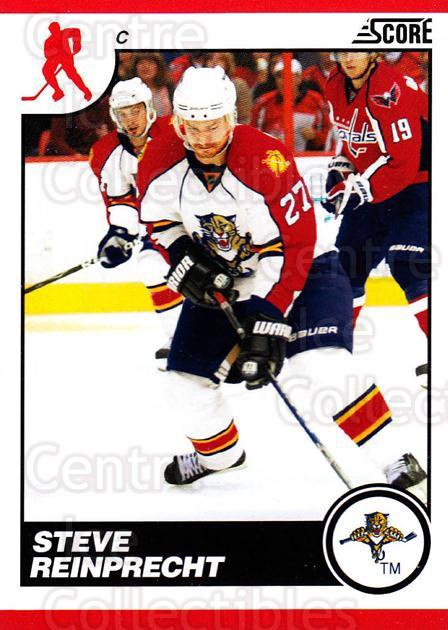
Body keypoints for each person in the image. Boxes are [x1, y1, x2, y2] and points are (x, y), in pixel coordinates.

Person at [135, 66, 426, 494]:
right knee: (184, 380)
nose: (203, 138)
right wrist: (181, 256)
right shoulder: (159, 160)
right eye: (192, 127)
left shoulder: (266, 159)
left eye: (212, 126)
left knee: (319, 363)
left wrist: (268, 317)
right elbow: (159, 223)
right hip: (230, 280)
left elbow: (296, 244)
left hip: (306, 271)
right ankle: (219, 455)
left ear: (231, 118)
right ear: (178, 123)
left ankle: (393, 457)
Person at [323, 52, 429, 386]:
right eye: (341, 51)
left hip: (419, 183)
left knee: (409, 264)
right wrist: (343, 167)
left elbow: (405, 161)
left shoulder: (389, 89)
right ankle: (334, 353)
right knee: (346, 269)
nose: (347, 58)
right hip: (375, 182)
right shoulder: (335, 84)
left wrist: (359, 189)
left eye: (355, 50)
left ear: (373, 52)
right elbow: (355, 138)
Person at [89, 78, 182, 362]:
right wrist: (121, 235)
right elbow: (121, 201)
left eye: (135, 111)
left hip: (204, 215)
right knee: (150, 266)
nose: (130, 120)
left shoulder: (176, 131)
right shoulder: (107, 153)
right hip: (165, 226)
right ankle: (180, 338)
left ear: (149, 108)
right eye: (123, 113)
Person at [252, 58, 331, 151]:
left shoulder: (315, 100)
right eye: (279, 76)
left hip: (307, 156)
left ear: (299, 78)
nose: (283, 80)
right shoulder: (264, 102)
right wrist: (268, 139)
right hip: (273, 155)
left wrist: (315, 136)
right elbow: (252, 134)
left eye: (288, 76)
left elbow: (328, 133)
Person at [42, 22, 91, 102]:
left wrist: (76, 43)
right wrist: (55, 51)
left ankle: (86, 92)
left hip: (66, 57)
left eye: (56, 29)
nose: (55, 31)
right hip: (54, 59)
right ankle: (58, 91)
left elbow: (76, 31)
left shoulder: (64, 33)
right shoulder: (48, 41)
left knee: (72, 75)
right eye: (53, 30)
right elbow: (46, 54)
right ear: (50, 31)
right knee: (46, 70)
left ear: (59, 28)